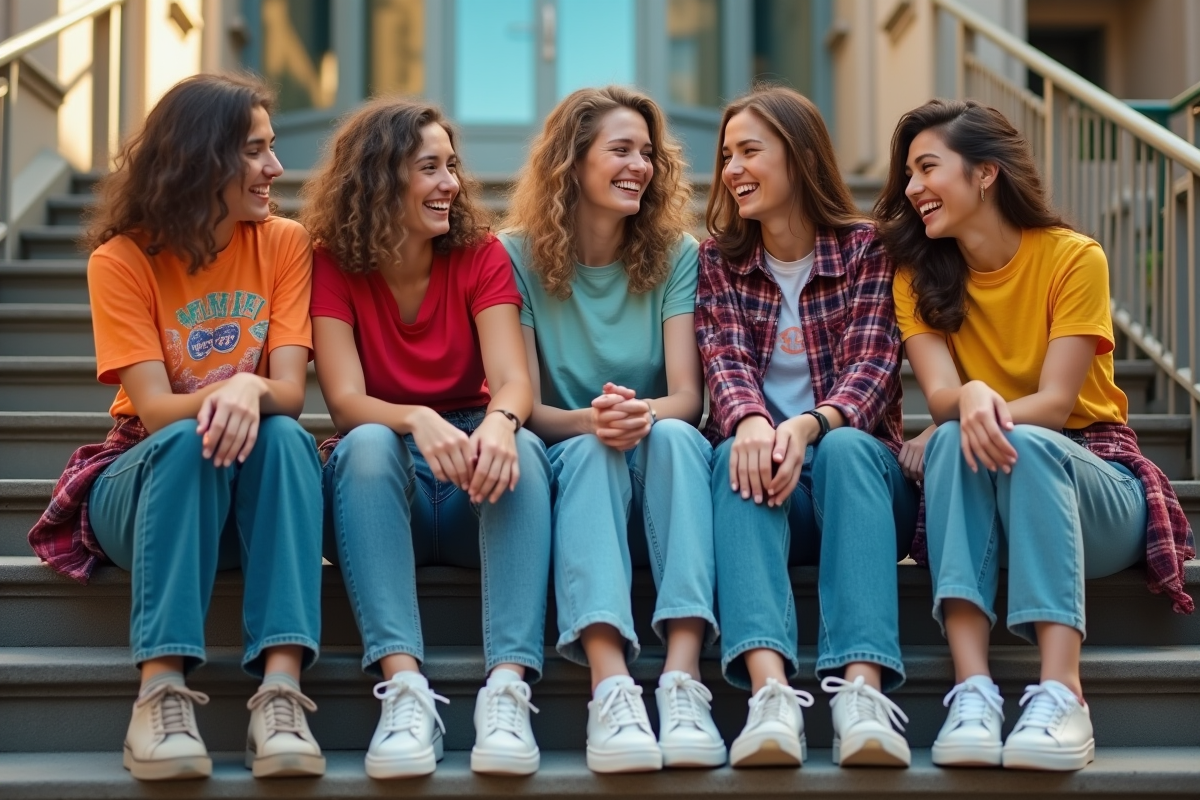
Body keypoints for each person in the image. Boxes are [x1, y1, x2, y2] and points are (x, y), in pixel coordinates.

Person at [876, 98, 1195, 771]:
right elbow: (942, 395)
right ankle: (972, 692)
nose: (911, 188)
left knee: (1014, 442)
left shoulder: (1073, 257)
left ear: (985, 172)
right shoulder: (916, 277)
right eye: (907, 174)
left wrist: (970, 411)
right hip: (986, 478)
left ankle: (1063, 693)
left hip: (1093, 481)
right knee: (954, 441)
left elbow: (1054, 405)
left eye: (927, 167)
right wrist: (963, 405)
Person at [28, 73, 326, 781]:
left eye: (272, 147)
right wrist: (237, 392)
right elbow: (158, 409)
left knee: (286, 436)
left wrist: (250, 385)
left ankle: (280, 694)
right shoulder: (122, 259)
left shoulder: (284, 244)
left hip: (245, 490)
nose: (276, 168)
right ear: (202, 157)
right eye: (255, 151)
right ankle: (159, 693)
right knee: (190, 440)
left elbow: (287, 394)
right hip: (145, 483)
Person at [301, 97, 550, 778]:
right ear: (380, 177)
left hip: (476, 476)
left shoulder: (479, 254)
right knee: (364, 445)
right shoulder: (331, 263)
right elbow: (345, 402)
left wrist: (499, 423)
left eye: (453, 166)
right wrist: (414, 417)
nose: (451, 184)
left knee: (525, 447)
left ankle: (507, 691)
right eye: (430, 168)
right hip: (385, 481)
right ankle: (405, 691)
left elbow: (513, 382)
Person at [500, 85, 721, 773]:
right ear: (572, 162)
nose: (640, 167)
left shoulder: (676, 253)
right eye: (621, 150)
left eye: (648, 153)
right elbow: (524, 406)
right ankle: (612, 686)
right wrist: (594, 422)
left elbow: (688, 399)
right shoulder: (513, 256)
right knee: (593, 451)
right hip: (570, 464)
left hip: (657, 458)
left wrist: (640, 415)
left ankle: (682, 677)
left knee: (680, 436)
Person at [696, 85, 917, 769]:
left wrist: (808, 427)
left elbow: (873, 367)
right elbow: (724, 358)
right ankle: (770, 696)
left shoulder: (866, 250)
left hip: (862, 487)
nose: (732, 169)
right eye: (726, 156)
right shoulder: (718, 260)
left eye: (749, 151)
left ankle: (862, 693)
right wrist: (753, 422)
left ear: (798, 155)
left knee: (848, 445)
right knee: (734, 453)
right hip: (770, 492)